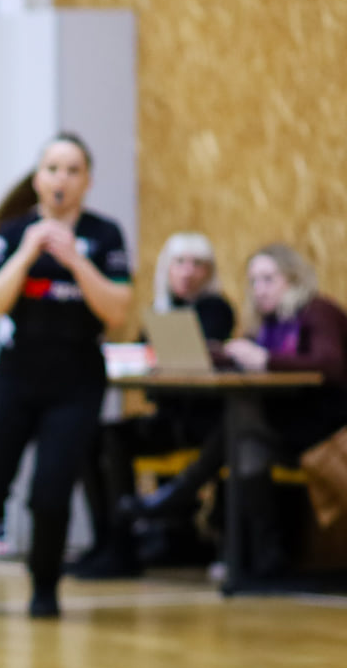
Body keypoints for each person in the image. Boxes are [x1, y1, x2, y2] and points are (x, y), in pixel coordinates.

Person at [0, 134, 133, 617]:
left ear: (87, 181)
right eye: (53, 168)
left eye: (73, 170)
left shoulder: (104, 236)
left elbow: (117, 310)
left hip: (76, 378)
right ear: (38, 178)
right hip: (17, 373)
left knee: (52, 489)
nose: (61, 179)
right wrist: (26, 255)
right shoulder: (13, 233)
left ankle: (45, 586)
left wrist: (76, 261)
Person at [124, 243, 347, 579]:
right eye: (253, 281)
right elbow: (252, 358)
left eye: (268, 279)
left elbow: (328, 365)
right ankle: (266, 559)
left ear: (294, 279)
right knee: (246, 437)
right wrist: (212, 354)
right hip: (305, 424)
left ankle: (181, 493)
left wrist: (263, 359)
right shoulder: (270, 322)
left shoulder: (317, 311)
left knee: (244, 419)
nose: (259, 289)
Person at [74, 232, 234, 578]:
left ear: (209, 272)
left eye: (197, 264)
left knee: (114, 441)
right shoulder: (159, 312)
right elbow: (138, 357)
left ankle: (122, 547)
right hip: (166, 417)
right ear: (167, 269)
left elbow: (194, 356)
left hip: (200, 424)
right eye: (180, 263)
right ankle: (106, 541)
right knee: (93, 437)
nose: (188, 272)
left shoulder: (216, 310)